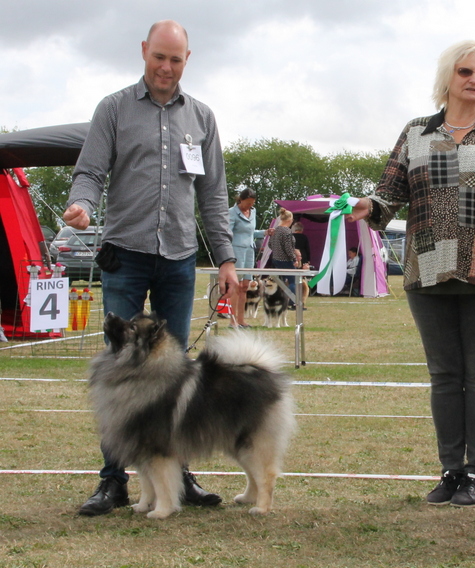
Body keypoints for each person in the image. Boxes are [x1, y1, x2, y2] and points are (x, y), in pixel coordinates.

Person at [347, 40, 475, 507]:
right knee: (443, 375)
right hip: (427, 269)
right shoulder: (416, 131)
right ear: (448, 78)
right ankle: (451, 470)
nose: (474, 80)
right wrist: (369, 207)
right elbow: (389, 193)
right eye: (465, 72)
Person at [63, 20, 239, 516]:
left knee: (176, 374)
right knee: (119, 372)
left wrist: (225, 258)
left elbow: (213, 194)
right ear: (144, 52)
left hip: (180, 258)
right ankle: (112, 480)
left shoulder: (202, 118)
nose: (166, 68)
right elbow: (91, 171)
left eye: (176, 60)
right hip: (125, 254)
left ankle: (177, 475)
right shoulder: (113, 108)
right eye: (159, 57)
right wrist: (82, 205)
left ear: (188, 60)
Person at [230, 188, 257, 326]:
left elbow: (251, 232)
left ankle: (241, 320)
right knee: (237, 285)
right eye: (247, 203)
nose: (249, 206)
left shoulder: (253, 212)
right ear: (240, 199)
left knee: (245, 286)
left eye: (252, 203)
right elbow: (228, 233)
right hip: (237, 251)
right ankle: (232, 320)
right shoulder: (232, 212)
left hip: (250, 251)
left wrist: (265, 232)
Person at [270, 208, 298, 304]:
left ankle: (280, 300)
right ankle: (292, 302)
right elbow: (288, 248)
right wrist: (294, 259)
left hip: (276, 259)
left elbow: (270, 245)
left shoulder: (275, 230)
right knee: (293, 281)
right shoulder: (287, 231)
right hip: (286, 260)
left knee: (281, 282)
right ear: (290, 220)